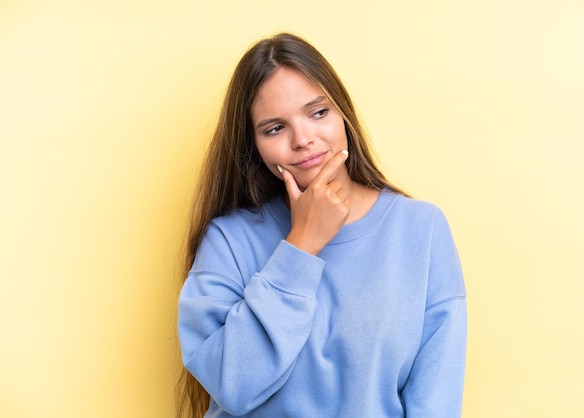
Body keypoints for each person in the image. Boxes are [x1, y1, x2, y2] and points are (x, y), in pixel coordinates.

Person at [177, 32, 467, 418]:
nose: (304, 140)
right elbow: (234, 386)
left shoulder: (420, 230)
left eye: (318, 113)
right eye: (275, 128)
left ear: (343, 114)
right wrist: (300, 246)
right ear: (254, 145)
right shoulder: (229, 240)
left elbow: (436, 401)